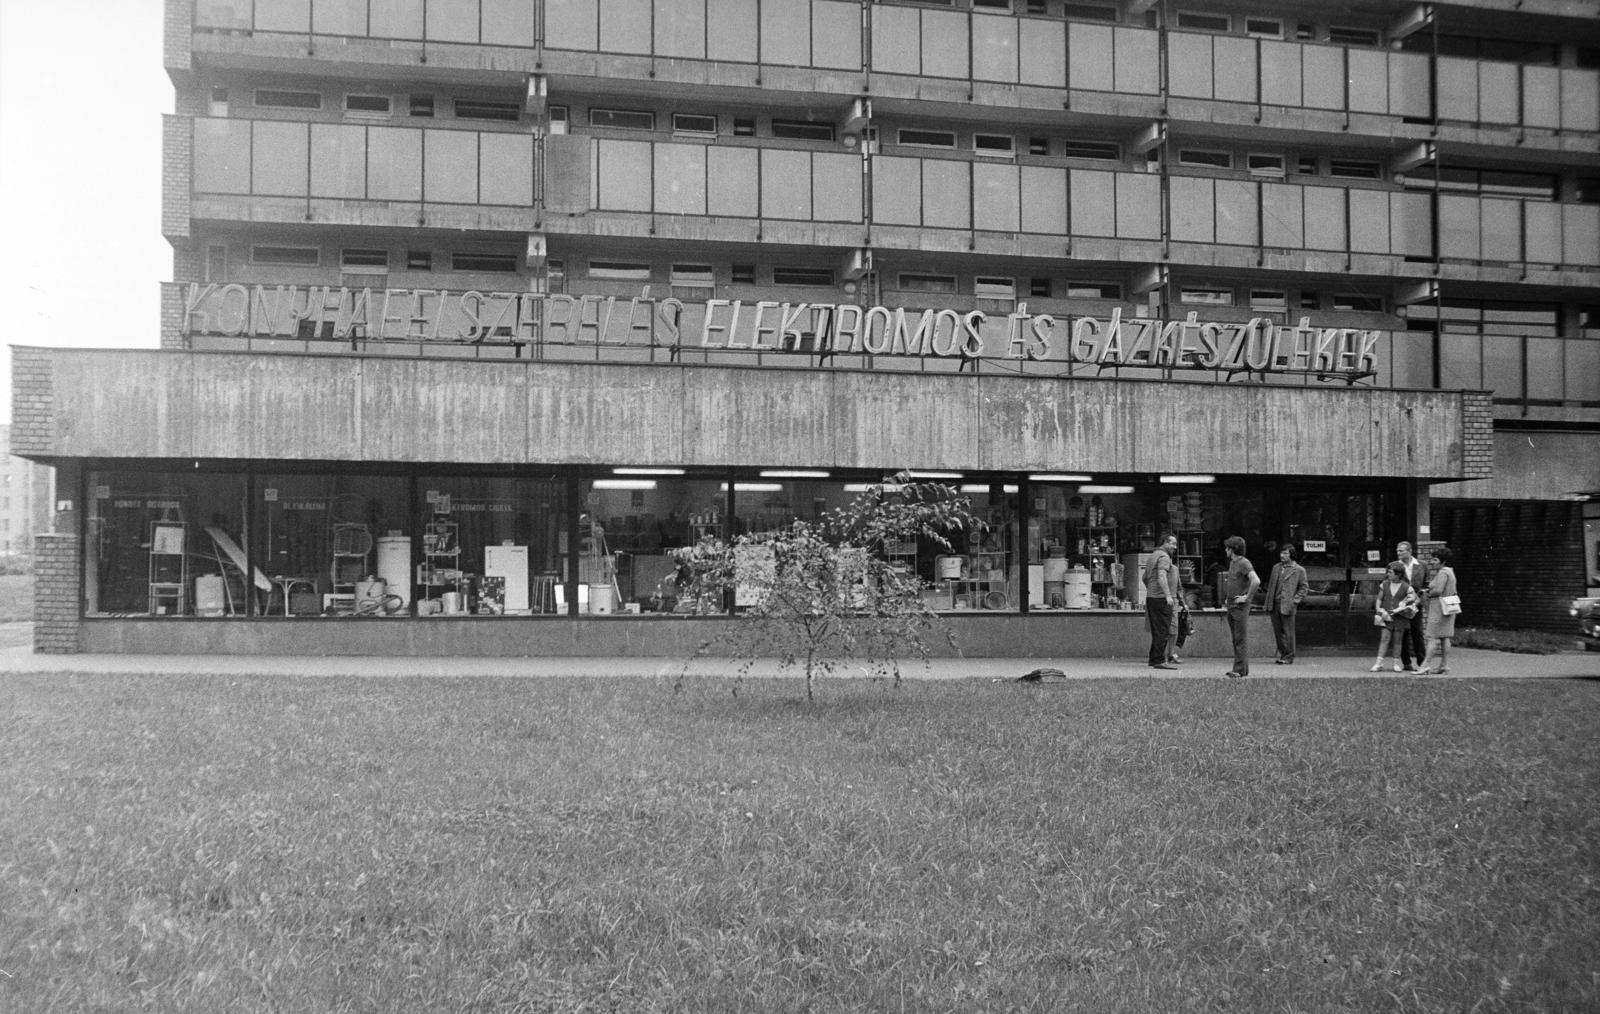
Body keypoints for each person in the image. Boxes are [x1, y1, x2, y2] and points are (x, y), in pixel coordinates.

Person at [1370, 561, 1419, 673]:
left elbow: (1414, 600)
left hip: (1400, 617)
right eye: (1388, 572)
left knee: (1397, 640)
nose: (1388, 574)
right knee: (1384, 639)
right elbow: (1379, 599)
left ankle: (1396, 663)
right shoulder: (1385, 584)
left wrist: (1409, 603)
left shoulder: (1407, 587)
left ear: (1399, 574)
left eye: (1391, 572)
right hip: (1387, 616)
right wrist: (1378, 608)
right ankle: (1379, 663)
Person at [1263, 544, 1308, 664]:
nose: (1282, 556)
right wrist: (1267, 602)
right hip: (1274, 603)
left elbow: (1304, 587)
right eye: (1281, 553)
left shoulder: (1298, 570)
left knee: (1288, 632)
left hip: (1288, 604)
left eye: (1285, 553)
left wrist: (1295, 600)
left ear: (1291, 555)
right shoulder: (1276, 567)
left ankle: (1289, 656)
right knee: (1278, 632)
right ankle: (1283, 654)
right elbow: (1271, 586)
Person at [1222, 535, 1260, 678]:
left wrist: (1247, 597)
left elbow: (1256, 581)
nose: (1225, 551)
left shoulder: (1244, 563)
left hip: (1239, 606)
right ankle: (1241, 668)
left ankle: (1239, 670)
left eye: (1227, 548)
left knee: (1240, 638)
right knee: (1237, 638)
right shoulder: (1233, 563)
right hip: (1232, 604)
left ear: (1231, 549)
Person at [1420, 547, 1458, 674]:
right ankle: (1444, 665)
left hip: (1438, 608)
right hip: (1449, 606)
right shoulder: (1450, 572)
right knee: (1445, 637)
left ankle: (1425, 665)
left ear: (1443, 561)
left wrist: (1427, 593)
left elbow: (1438, 590)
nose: (1432, 562)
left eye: (1435, 559)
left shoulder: (1442, 573)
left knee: (1432, 636)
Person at [1144, 533, 1180, 670]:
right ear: (1165, 542)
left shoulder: (1153, 556)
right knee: (1163, 631)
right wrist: (1168, 596)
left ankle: (1153, 658)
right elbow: (1161, 576)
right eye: (1173, 544)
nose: (1175, 547)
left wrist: (1151, 590)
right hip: (1161, 599)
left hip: (1152, 597)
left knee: (1156, 630)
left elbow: (1144, 578)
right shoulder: (1164, 557)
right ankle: (1159, 660)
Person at [1393, 541, 1428, 673]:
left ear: (1409, 551)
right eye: (1397, 551)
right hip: (1401, 604)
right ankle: (1406, 662)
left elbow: (1426, 584)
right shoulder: (1394, 565)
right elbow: (1390, 582)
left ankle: (1422, 661)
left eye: (1401, 551)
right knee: (1403, 633)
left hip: (1416, 604)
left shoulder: (1422, 565)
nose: (1398, 553)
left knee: (1417, 631)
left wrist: (1419, 598)